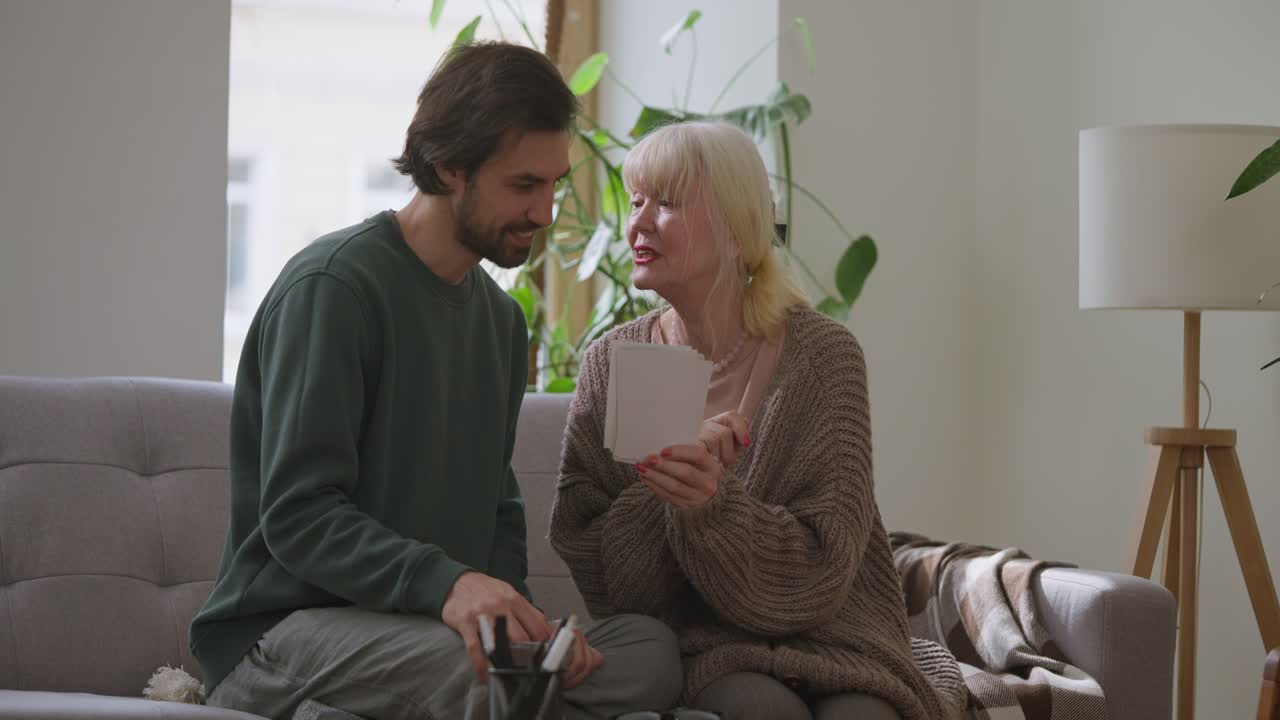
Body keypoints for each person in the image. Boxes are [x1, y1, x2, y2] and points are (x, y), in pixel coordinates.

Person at [190, 41, 682, 720]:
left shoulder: (500, 324)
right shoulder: (334, 289)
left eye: (552, 186)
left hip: (423, 633)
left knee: (650, 652)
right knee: (484, 676)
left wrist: (521, 620)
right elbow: (299, 516)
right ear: (449, 165)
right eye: (522, 185)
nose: (544, 213)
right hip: (283, 631)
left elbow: (497, 514)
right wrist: (448, 586)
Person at [549, 121, 965, 720]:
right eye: (636, 201)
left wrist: (715, 506)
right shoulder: (610, 366)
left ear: (737, 230)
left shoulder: (825, 358)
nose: (637, 224)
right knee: (761, 710)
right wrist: (673, 493)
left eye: (665, 204)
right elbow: (607, 583)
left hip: (839, 633)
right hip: (707, 644)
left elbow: (826, 568)